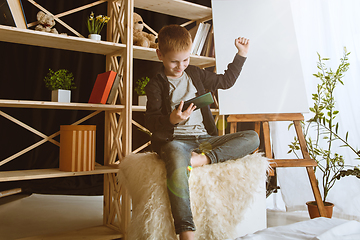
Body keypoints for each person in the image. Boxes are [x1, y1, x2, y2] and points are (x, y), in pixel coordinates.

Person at [145, 24, 260, 240]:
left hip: (205, 140)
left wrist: (241, 55)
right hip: (176, 141)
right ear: (160, 54)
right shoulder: (155, 85)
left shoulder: (195, 73)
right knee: (176, 163)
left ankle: (203, 159)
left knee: (252, 137)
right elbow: (151, 122)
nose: (181, 67)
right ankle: (186, 231)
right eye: (174, 62)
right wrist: (172, 119)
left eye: (186, 60)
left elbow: (225, 82)